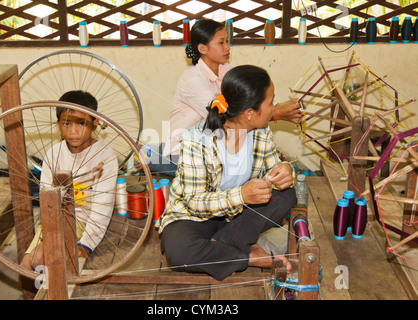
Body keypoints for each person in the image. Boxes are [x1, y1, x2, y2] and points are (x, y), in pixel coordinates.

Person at [158, 65, 297, 281]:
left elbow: (273, 168)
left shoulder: (261, 131)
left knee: (287, 195)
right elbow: (194, 202)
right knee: (178, 251)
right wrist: (240, 195)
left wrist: (285, 171)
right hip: (194, 216)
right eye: (270, 103)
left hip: (237, 218)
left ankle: (223, 250)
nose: (273, 109)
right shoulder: (196, 140)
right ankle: (247, 256)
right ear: (250, 113)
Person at [146, 19, 302, 176]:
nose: (228, 47)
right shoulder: (192, 79)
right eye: (221, 42)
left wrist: (275, 106)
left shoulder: (225, 70)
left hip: (213, 145)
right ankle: (150, 155)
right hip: (183, 152)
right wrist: (276, 113)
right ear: (203, 48)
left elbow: (248, 102)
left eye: (227, 41)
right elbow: (225, 120)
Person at [20, 90, 118, 270]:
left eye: (82, 123)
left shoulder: (105, 156)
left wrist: (87, 244)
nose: (73, 131)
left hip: (87, 221)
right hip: (56, 218)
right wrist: (52, 230)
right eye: (66, 123)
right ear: (58, 124)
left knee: (58, 267)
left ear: (95, 123)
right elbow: (46, 198)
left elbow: (103, 206)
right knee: (28, 264)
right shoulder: (53, 153)